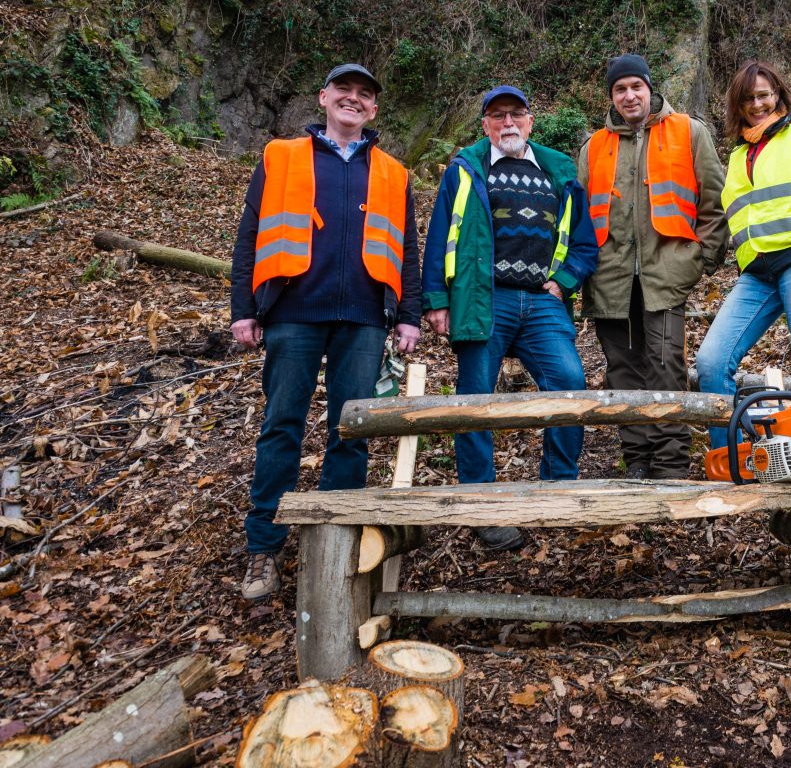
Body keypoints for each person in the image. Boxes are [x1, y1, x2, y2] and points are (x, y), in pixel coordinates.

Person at [230, 63, 421, 601]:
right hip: (293, 311)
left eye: (365, 95)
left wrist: (408, 314)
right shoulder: (281, 156)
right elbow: (249, 236)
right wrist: (243, 308)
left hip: (364, 317)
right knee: (281, 425)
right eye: (345, 91)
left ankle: (335, 539)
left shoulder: (393, 171)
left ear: (374, 109)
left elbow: (407, 250)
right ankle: (263, 547)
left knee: (351, 430)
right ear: (324, 97)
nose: (353, 100)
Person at [421, 85, 598, 550]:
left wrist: (563, 281)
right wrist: (436, 299)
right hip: (485, 297)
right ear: (485, 125)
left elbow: (585, 242)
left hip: (542, 303)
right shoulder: (466, 169)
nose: (508, 124)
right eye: (497, 116)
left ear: (530, 121)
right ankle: (483, 506)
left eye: (516, 114)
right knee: (475, 399)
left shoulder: (558, 170)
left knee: (569, 384)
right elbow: (439, 236)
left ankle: (559, 490)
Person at [578, 54, 727, 479]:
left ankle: (670, 462)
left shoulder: (689, 132)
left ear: (649, 88)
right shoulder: (593, 147)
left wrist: (700, 262)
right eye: (620, 89)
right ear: (611, 96)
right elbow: (579, 219)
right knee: (623, 372)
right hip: (610, 279)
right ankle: (638, 460)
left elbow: (715, 205)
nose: (629, 95)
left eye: (635, 87)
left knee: (666, 367)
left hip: (668, 274)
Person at [694, 60, 791, 447]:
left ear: (778, 94)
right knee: (711, 363)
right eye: (748, 98)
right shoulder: (736, 154)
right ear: (738, 105)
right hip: (756, 273)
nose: (757, 104)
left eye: (763, 95)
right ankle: (727, 456)